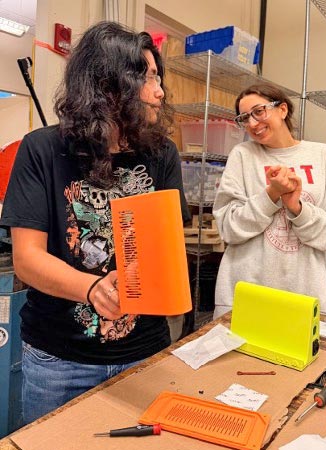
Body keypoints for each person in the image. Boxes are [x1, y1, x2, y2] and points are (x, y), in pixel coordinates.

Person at [0, 21, 189, 424]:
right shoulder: (43, 149)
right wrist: (91, 288)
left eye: (159, 78)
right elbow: (27, 260)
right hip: (60, 362)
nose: (160, 92)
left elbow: (166, 249)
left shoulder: (161, 154)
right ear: (108, 84)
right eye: (148, 77)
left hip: (145, 354)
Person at [212, 83, 326, 318]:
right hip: (245, 290)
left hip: (303, 292)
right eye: (244, 118)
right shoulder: (242, 155)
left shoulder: (325, 156)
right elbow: (228, 228)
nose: (251, 124)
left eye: (258, 112)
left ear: (282, 109)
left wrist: (297, 208)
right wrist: (271, 194)